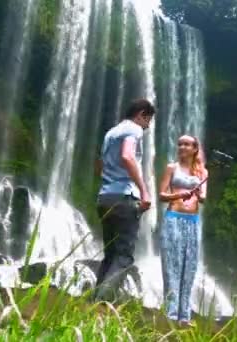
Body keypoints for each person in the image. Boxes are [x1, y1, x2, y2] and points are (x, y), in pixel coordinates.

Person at [93, 98, 155, 302]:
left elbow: (99, 166)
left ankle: (93, 302)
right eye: (149, 120)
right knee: (124, 257)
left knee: (110, 254)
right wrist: (144, 191)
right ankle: (103, 306)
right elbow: (128, 156)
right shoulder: (134, 129)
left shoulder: (110, 133)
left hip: (105, 197)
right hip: (124, 198)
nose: (148, 126)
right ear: (141, 114)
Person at [158, 135, 208, 325]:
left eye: (186, 144)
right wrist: (179, 194)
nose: (182, 147)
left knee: (190, 267)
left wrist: (197, 193)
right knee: (172, 265)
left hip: (193, 222)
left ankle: (184, 316)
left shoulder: (203, 172)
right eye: (179, 144)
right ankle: (171, 314)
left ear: (195, 148)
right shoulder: (172, 168)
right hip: (173, 219)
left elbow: (203, 198)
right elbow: (162, 195)